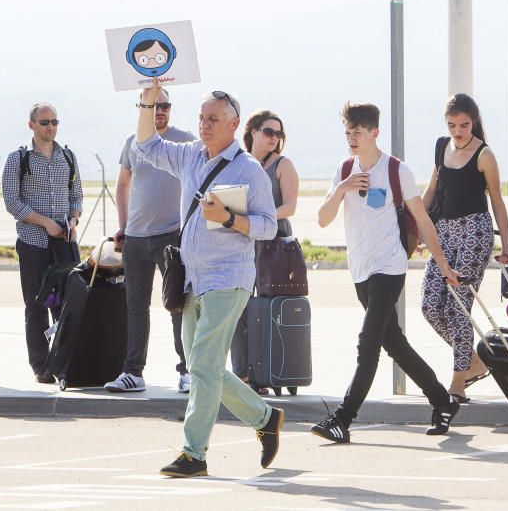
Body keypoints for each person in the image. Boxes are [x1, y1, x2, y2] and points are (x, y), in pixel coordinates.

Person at [133, 83, 284, 478]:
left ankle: (193, 453)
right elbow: (145, 146)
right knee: (206, 365)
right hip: (190, 279)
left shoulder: (249, 169)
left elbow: (269, 226)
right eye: (201, 117)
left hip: (228, 278)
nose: (204, 125)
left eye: (213, 119)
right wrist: (148, 99)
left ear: (234, 124)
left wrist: (232, 219)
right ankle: (265, 417)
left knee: (201, 364)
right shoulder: (188, 157)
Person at [312, 102, 462, 444]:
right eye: (347, 133)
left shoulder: (396, 170)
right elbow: (322, 219)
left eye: (358, 133)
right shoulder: (344, 169)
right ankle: (442, 402)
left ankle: (342, 419)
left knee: (368, 344)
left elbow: (422, 219)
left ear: (374, 133)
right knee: (394, 343)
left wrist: (442, 264)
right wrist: (342, 187)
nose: (351, 139)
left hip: (389, 267)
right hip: (360, 270)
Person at [420, 94, 508, 404]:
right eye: (451, 125)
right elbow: (432, 190)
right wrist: (418, 226)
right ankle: (473, 361)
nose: (457, 131)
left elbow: (497, 201)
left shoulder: (484, 154)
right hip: (443, 232)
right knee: (430, 306)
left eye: (464, 125)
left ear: (473, 122)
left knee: (458, 308)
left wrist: (507, 246)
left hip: (475, 231)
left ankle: (458, 383)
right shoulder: (440, 147)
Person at [104, 88, 194, 394]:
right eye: (154, 105)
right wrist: (124, 227)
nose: (160, 110)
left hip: (172, 235)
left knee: (178, 306)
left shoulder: (185, 141)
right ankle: (133, 372)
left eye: (165, 105)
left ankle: (187, 371)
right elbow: (123, 185)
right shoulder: (132, 142)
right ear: (143, 107)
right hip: (136, 239)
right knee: (136, 308)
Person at [2, 103, 83, 384]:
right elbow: (12, 202)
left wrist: (72, 219)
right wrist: (45, 222)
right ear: (32, 125)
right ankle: (41, 365)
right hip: (32, 241)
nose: (50, 127)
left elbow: (77, 196)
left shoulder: (68, 157)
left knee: (67, 304)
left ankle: (65, 361)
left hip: (65, 243)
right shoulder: (18, 159)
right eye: (45, 122)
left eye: (54, 121)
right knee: (36, 305)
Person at [230, 109, 299, 394]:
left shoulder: (282, 165)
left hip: (274, 244)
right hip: (241, 242)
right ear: (253, 131)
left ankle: (272, 372)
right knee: (238, 308)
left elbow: (290, 207)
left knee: (270, 309)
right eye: (269, 132)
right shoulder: (239, 162)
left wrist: (258, 221)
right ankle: (243, 375)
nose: (274, 138)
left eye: (278, 134)